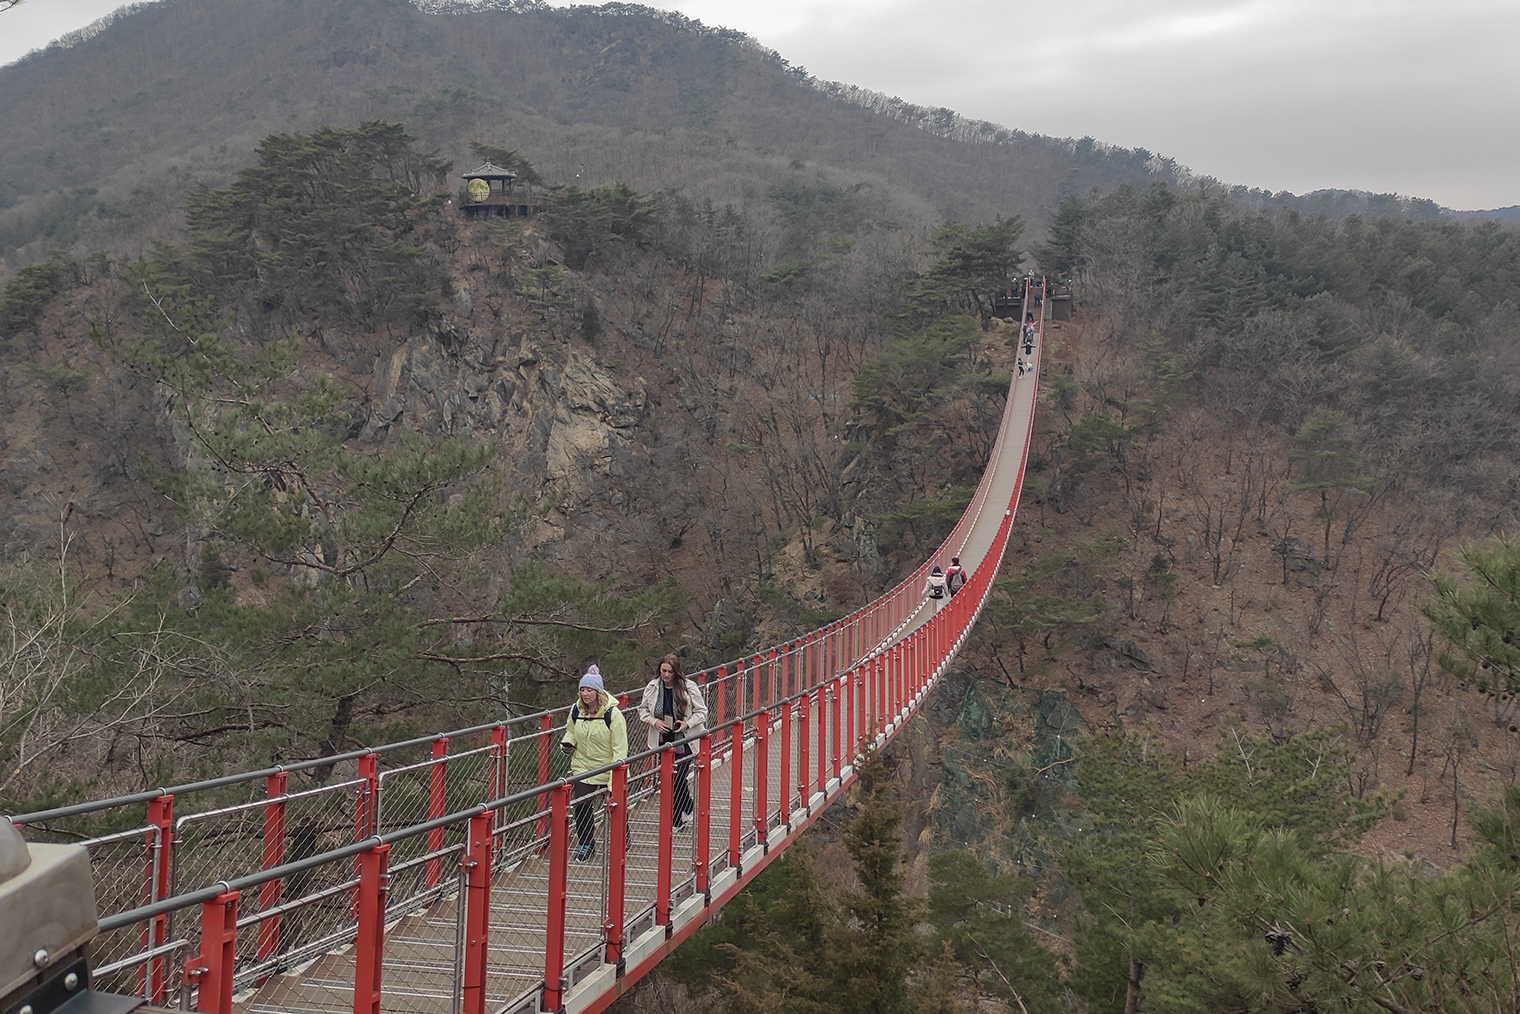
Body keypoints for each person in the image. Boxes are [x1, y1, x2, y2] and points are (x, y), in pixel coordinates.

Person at [560, 665, 629, 862]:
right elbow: (571, 731)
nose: (585, 694)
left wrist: (615, 775)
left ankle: (622, 838)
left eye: (589, 690)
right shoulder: (576, 710)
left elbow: (620, 747)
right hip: (583, 765)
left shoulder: (613, 715)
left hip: (609, 766)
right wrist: (568, 744)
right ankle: (586, 844)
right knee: (581, 804)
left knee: (615, 805)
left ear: (598, 692)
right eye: (582, 689)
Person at [637, 653, 708, 829]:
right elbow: (643, 710)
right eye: (663, 671)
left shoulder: (688, 687)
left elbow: (702, 712)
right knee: (671, 777)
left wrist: (687, 723)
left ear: (676, 672)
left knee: (677, 778)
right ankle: (688, 807)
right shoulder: (653, 687)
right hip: (663, 739)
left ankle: (676, 820)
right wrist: (654, 721)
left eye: (670, 671)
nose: (666, 675)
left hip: (684, 739)